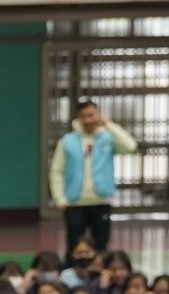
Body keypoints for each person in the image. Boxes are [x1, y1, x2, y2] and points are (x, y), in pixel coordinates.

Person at [48, 99, 134, 253]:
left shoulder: (108, 137)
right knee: (74, 246)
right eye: (84, 116)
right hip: (74, 203)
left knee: (101, 245)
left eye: (91, 115)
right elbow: (57, 171)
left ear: (98, 115)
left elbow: (130, 146)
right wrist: (60, 199)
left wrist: (110, 125)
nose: (88, 120)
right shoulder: (67, 141)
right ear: (78, 118)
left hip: (101, 201)